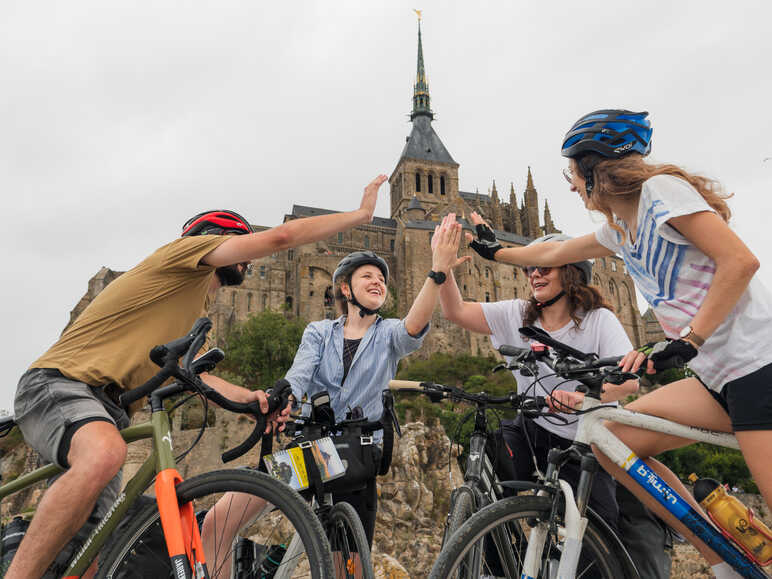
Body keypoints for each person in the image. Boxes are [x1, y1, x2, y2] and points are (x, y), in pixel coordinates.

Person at [10, 174, 388, 579]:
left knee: (95, 551)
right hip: (60, 384)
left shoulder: (183, 309)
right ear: (214, 238)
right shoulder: (184, 255)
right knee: (105, 454)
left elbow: (197, 376)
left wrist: (255, 400)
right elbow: (279, 239)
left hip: (107, 414)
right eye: (240, 244)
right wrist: (361, 215)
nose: (250, 259)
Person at [467, 108, 772, 579]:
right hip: (715, 378)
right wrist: (495, 250)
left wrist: (689, 341)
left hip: (758, 365)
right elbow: (550, 251)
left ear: (595, 169)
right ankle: (723, 560)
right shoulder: (619, 231)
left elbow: (740, 261)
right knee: (613, 438)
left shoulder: (659, 193)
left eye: (573, 172)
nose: (571, 185)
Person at [203, 213, 467, 577]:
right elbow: (301, 370)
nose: (377, 281)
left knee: (350, 570)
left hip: (354, 457)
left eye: (381, 278)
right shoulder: (319, 332)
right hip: (310, 451)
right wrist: (285, 393)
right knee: (220, 520)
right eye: (367, 276)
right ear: (346, 289)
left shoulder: (388, 334)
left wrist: (436, 272)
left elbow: (414, 325)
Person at [436, 227, 637, 532]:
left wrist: (583, 399)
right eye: (530, 269)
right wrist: (443, 267)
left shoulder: (599, 320)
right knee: (488, 482)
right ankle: (499, 564)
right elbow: (456, 310)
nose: (534, 275)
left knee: (596, 529)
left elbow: (629, 380)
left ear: (571, 272)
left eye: (544, 268)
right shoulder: (516, 314)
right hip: (531, 429)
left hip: (584, 439)